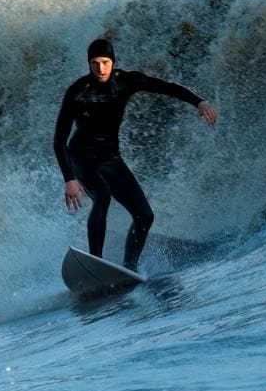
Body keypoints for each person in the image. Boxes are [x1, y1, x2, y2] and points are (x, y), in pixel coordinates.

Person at [52, 37, 217, 272]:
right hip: (80, 157)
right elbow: (59, 140)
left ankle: (129, 267)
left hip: (111, 158)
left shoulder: (126, 81)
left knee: (144, 215)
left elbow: (166, 87)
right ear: (89, 64)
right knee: (103, 197)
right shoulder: (77, 91)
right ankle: (95, 263)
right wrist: (69, 178)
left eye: (105, 62)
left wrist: (199, 102)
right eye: (95, 63)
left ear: (113, 62)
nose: (100, 68)